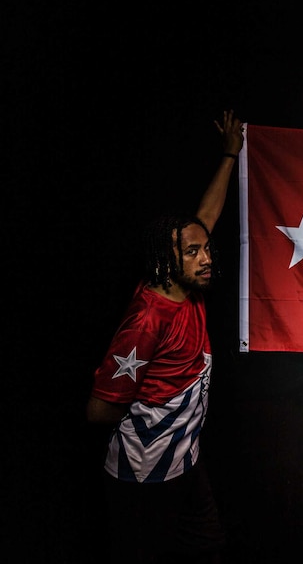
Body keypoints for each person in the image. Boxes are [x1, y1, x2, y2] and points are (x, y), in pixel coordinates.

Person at [85, 110, 244, 564]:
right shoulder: (147, 319)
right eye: (193, 252)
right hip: (143, 476)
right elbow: (98, 409)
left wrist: (230, 153)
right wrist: (154, 414)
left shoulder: (187, 287)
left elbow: (204, 217)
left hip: (185, 463)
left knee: (209, 548)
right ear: (165, 263)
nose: (206, 257)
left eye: (206, 248)